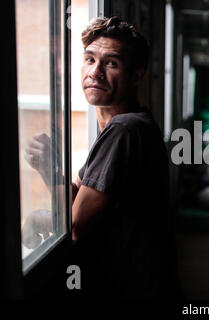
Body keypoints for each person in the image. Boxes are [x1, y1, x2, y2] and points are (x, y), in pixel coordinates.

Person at [24, 16, 177, 299]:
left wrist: (39, 212)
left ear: (135, 75)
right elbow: (80, 199)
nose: (95, 72)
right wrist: (49, 170)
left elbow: (76, 225)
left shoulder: (124, 130)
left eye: (111, 63)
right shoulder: (129, 126)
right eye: (89, 59)